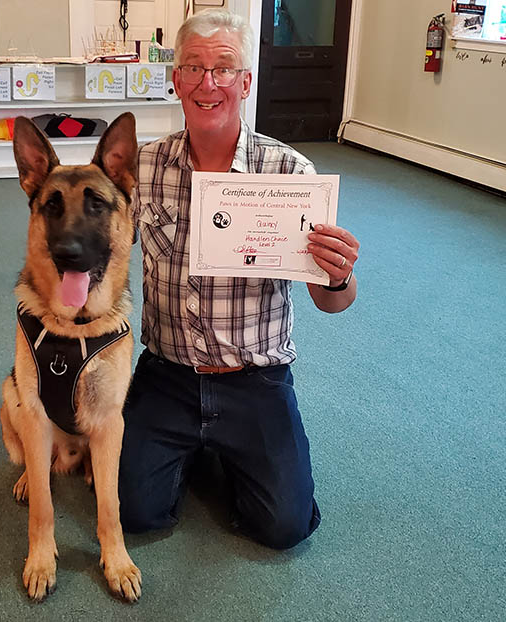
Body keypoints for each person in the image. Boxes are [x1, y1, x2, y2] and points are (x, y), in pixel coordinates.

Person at [119, 9, 360, 550]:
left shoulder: (290, 174)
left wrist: (340, 275)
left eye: (225, 68)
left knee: (283, 527)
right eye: (195, 68)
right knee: (132, 511)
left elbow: (332, 301)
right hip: (169, 374)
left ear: (246, 82)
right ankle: (200, 447)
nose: (209, 83)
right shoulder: (145, 168)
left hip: (256, 379)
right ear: (176, 79)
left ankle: (217, 450)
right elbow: (105, 252)